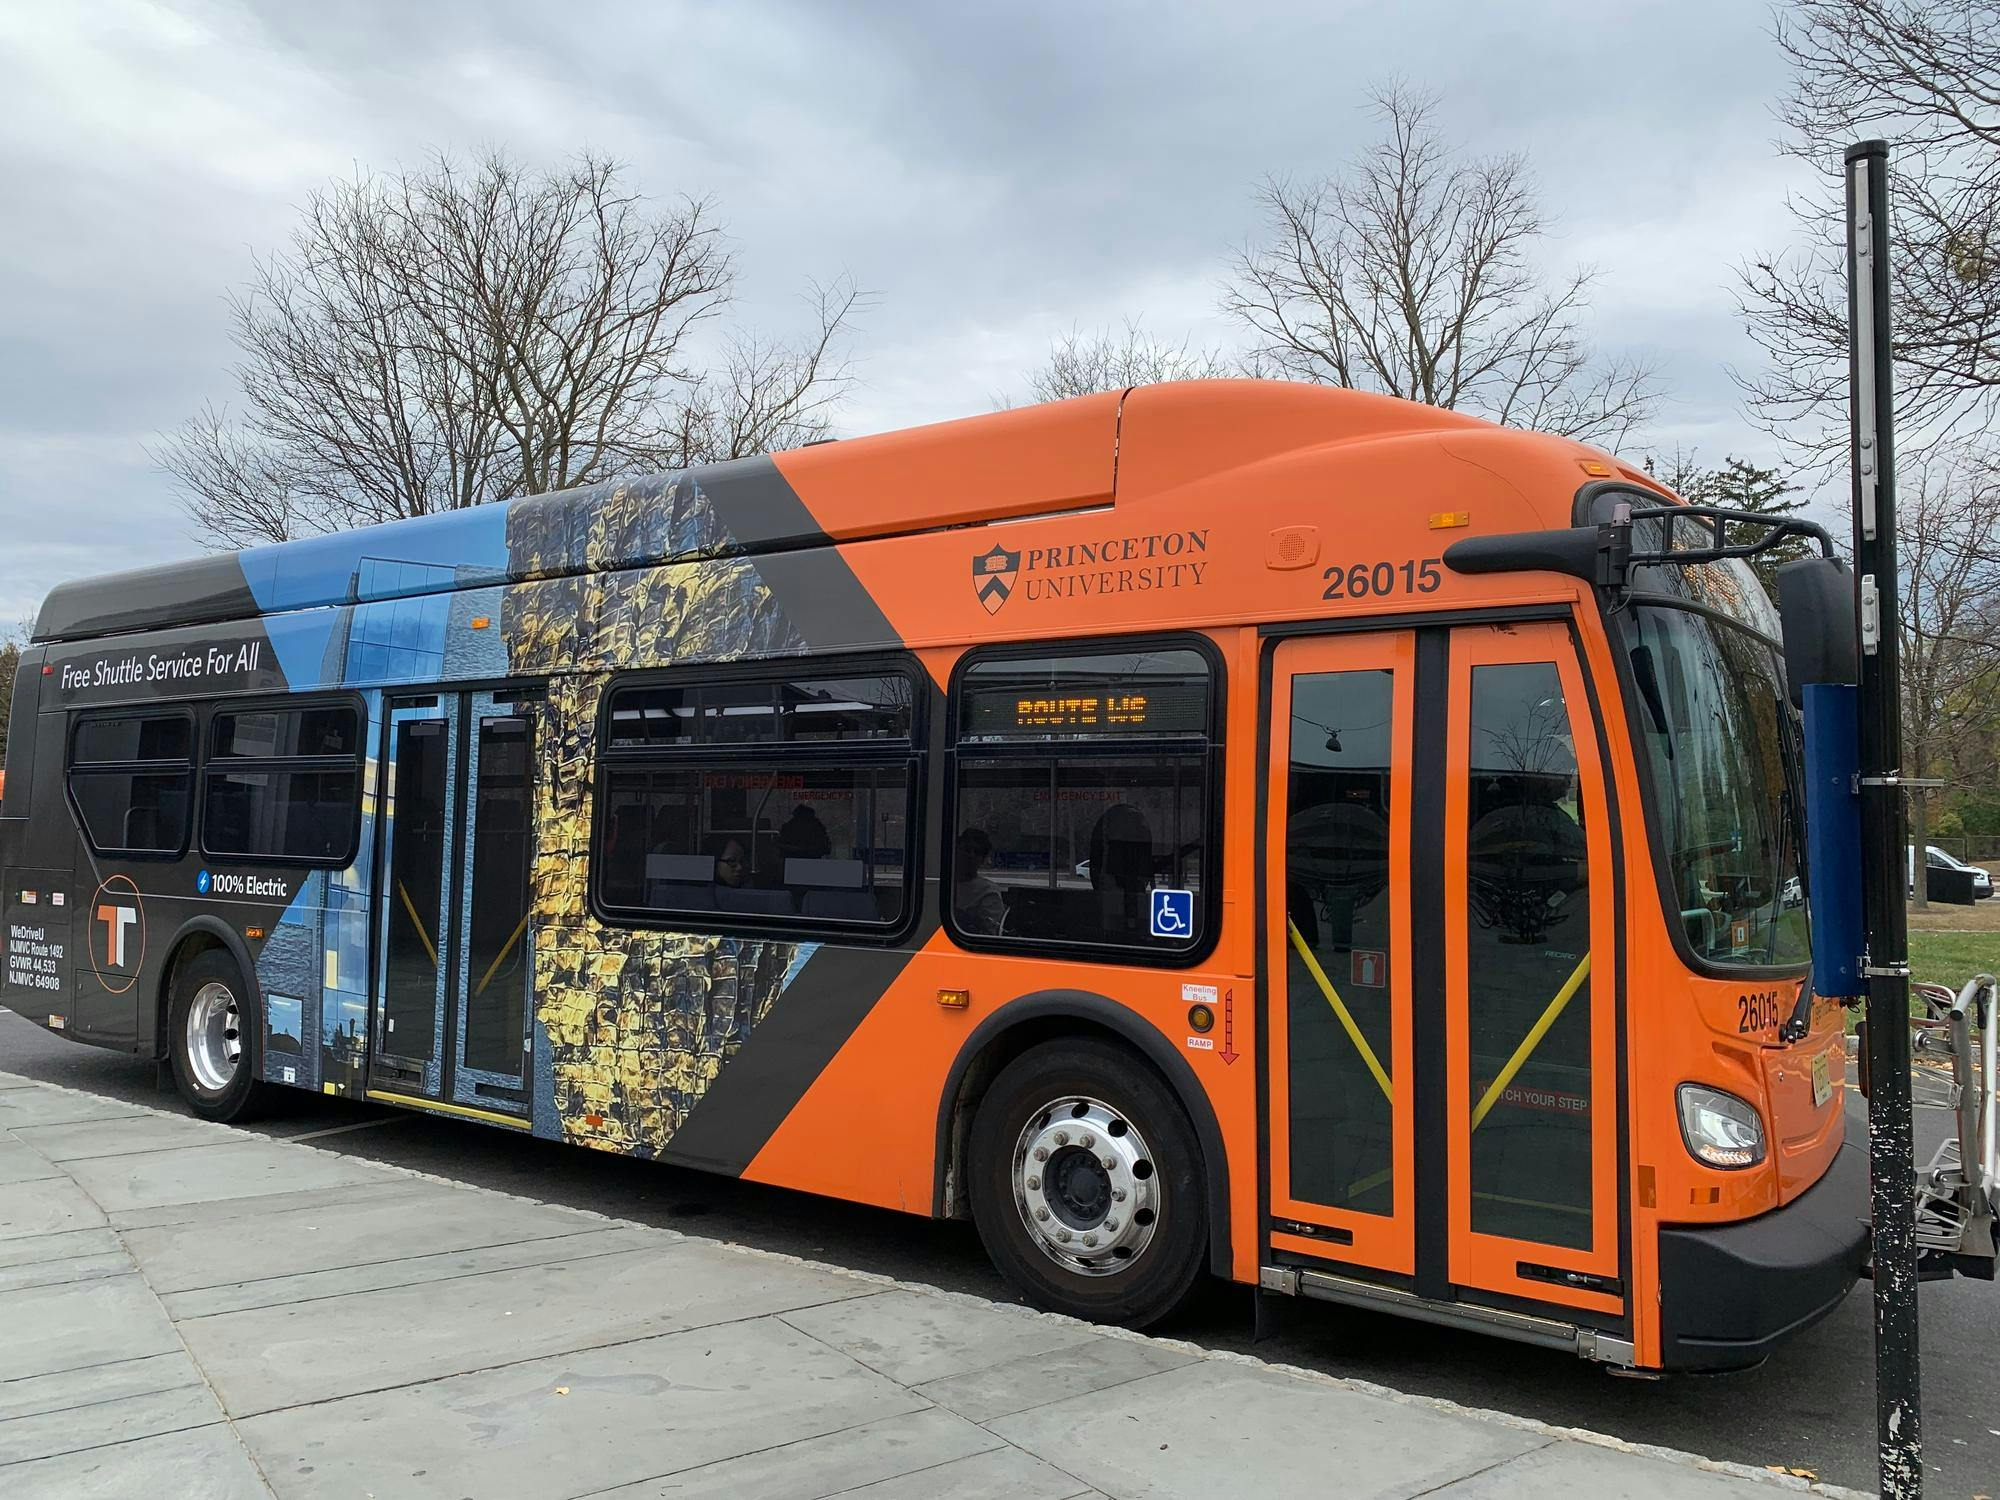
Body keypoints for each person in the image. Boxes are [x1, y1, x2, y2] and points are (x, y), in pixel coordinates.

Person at [953, 828, 1006, 935]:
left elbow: (990, 933)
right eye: (967, 849)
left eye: (977, 852)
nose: (971, 855)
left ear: (982, 860)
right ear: (955, 851)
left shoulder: (989, 892)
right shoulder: (940, 884)